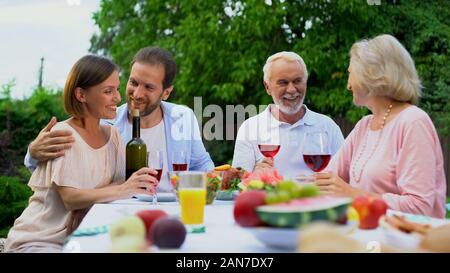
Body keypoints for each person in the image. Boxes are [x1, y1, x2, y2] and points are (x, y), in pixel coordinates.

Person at [6, 55, 158, 252]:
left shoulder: (113, 135)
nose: (118, 98)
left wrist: (105, 193)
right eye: (108, 91)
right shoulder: (64, 134)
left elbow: (121, 181)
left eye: (117, 89)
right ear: (81, 95)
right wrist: (121, 189)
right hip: (41, 240)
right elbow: (71, 198)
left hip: (82, 238)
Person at [25, 47, 214, 192]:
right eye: (133, 83)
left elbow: (201, 165)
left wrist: (219, 177)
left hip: (176, 208)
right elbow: (56, 169)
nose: (137, 94)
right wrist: (33, 153)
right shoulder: (104, 123)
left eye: (148, 87)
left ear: (166, 92)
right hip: (121, 213)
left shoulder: (183, 117)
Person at [314, 34, 446, 218]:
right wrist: (278, 187)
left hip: (407, 241)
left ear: (371, 74)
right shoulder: (364, 125)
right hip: (367, 235)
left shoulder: (413, 122)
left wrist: (352, 194)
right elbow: (326, 179)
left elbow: (419, 206)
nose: (348, 85)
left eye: (350, 74)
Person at [232, 51, 344, 179]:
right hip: (270, 199)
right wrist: (252, 175)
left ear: (305, 82)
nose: (291, 89)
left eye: (297, 81)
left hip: (317, 198)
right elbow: (237, 184)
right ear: (267, 87)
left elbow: (344, 177)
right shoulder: (250, 128)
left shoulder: (327, 126)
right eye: (283, 82)